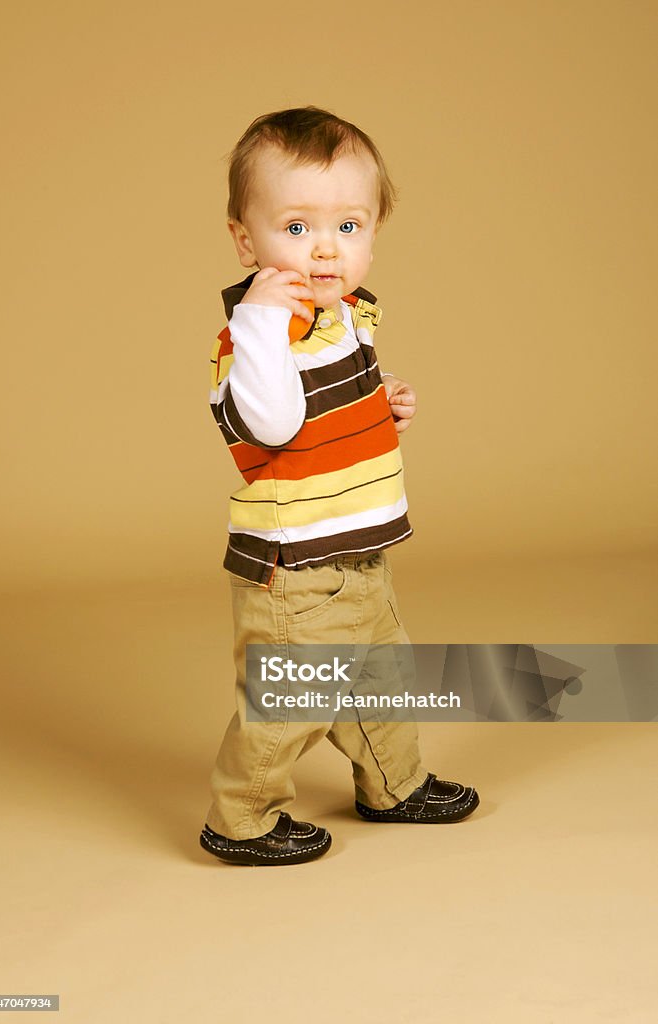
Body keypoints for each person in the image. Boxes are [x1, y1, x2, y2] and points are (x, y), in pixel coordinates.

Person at [200, 106, 479, 866]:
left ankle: (395, 783)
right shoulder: (254, 338)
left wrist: (382, 400)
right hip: (296, 571)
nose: (324, 249)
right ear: (244, 239)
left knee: (382, 681)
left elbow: (328, 408)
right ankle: (242, 817)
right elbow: (273, 423)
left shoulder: (344, 318)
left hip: (358, 551)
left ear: (373, 232)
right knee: (291, 703)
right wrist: (259, 323)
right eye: (295, 228)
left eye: (348, 227)